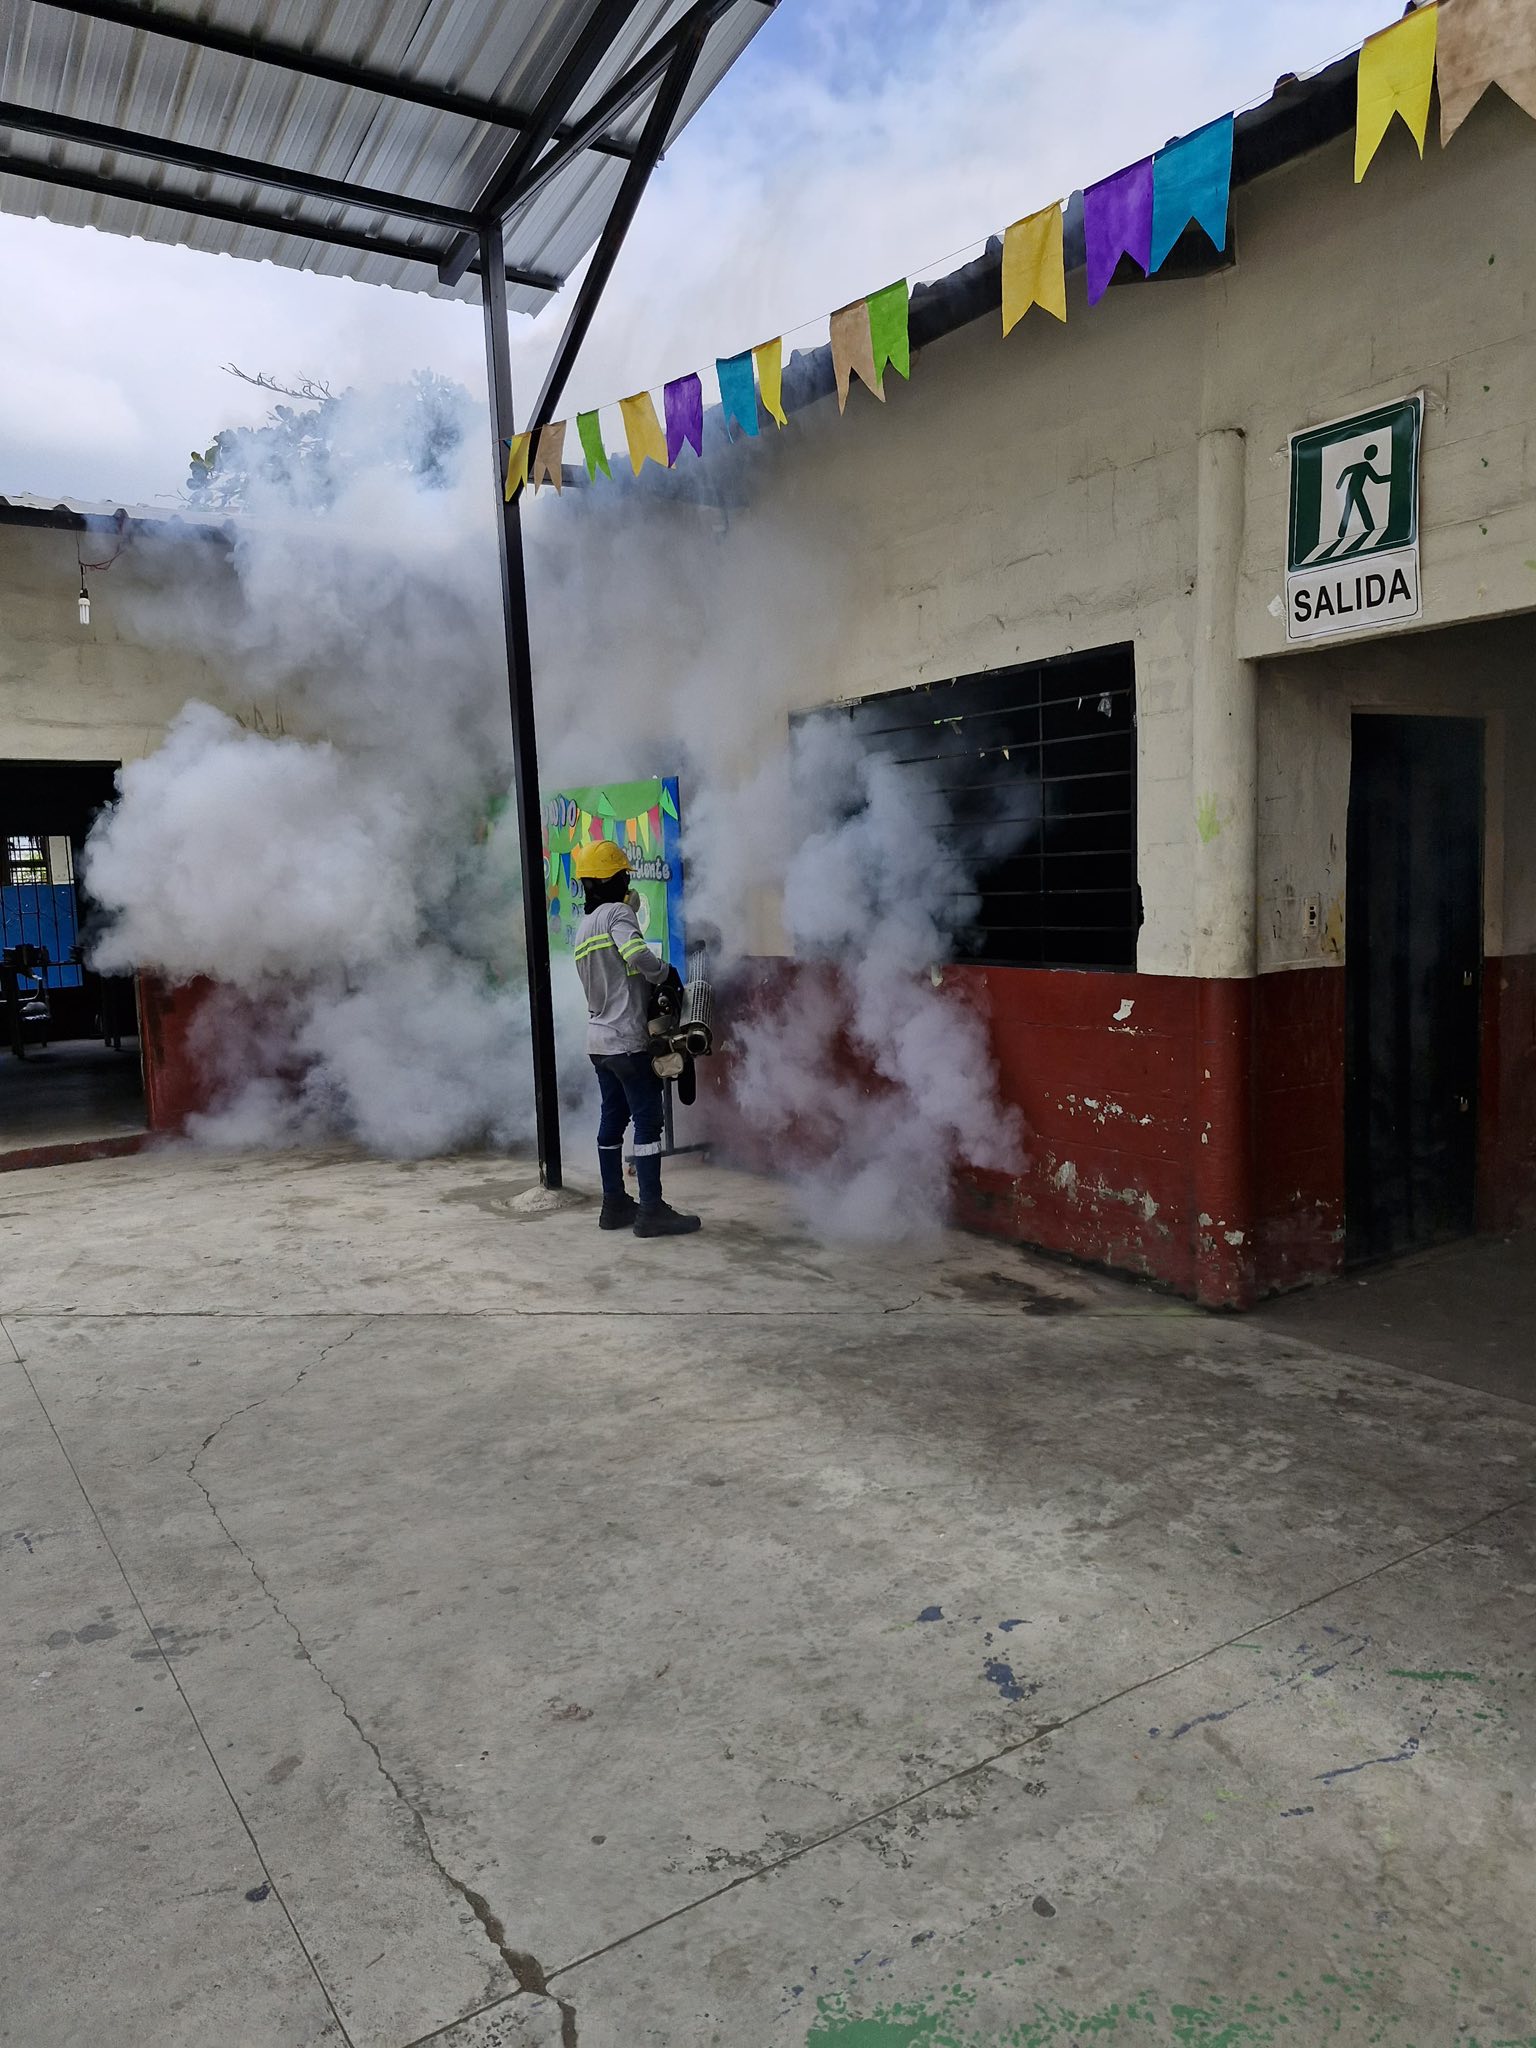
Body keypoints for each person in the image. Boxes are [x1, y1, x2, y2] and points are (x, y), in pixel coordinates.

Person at [570, 840, 702, 1238]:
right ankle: (651, 1210)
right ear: (612, 881)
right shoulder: (617, 913)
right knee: (647, 1121)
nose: (628, 884)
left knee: (612, 1121)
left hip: (599, 1043)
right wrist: (664, 972)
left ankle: (613, 1205)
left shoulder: (583, 927)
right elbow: (635, 954)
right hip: (627, 1042)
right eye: (623, 877)